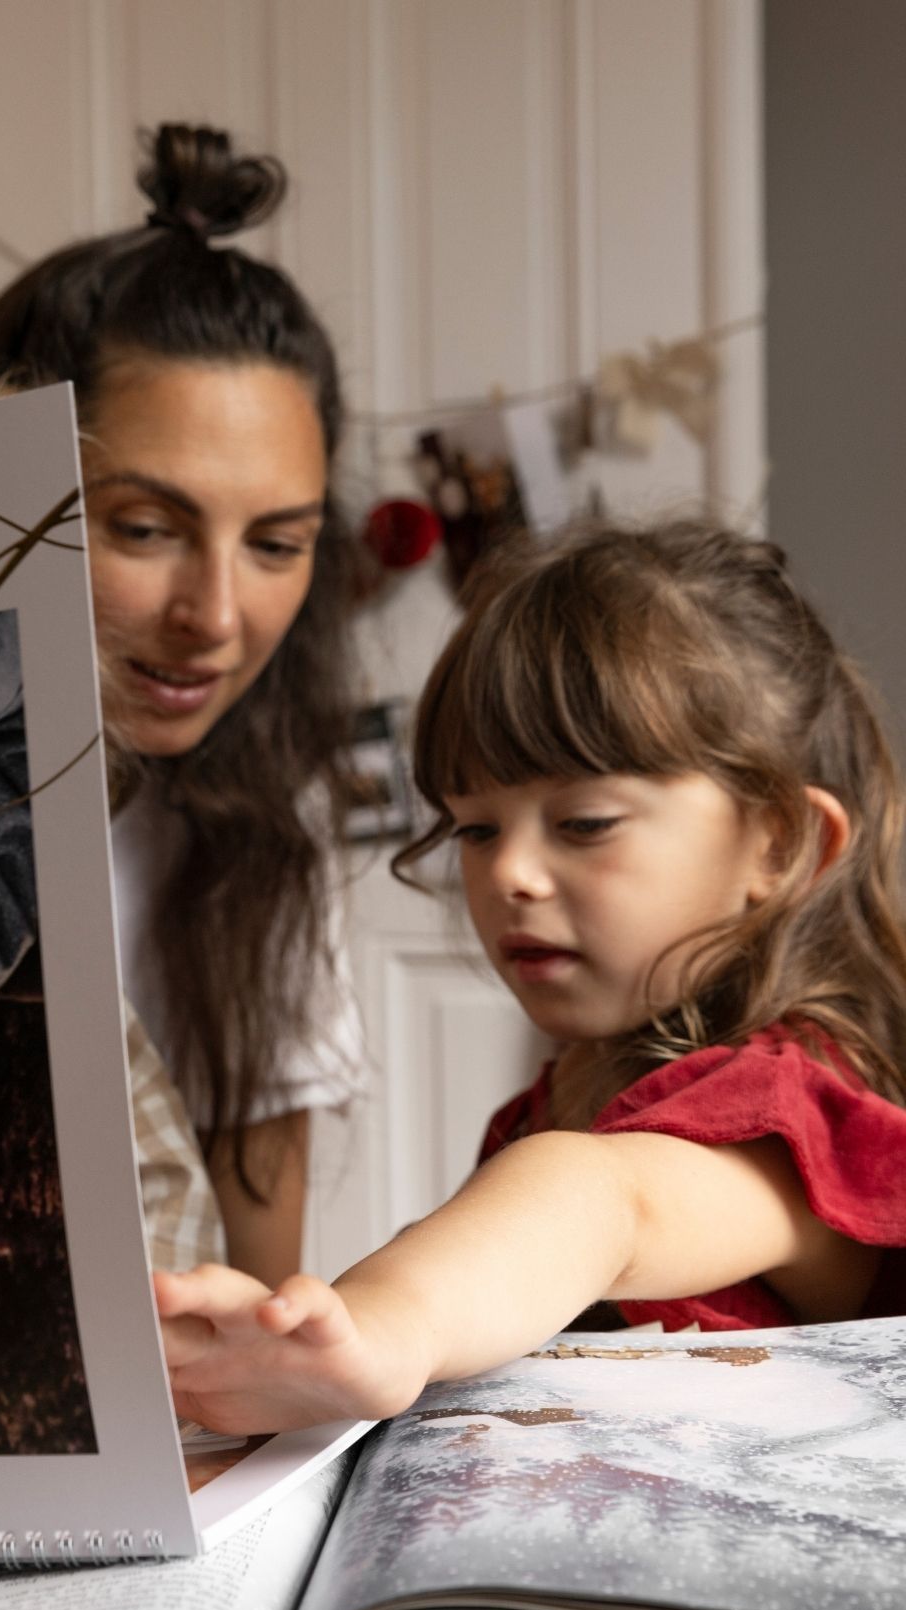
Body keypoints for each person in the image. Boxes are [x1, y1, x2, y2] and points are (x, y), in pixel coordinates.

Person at [154, 519, 906, 1434]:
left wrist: (384, 1326)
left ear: (780, 843)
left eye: (584, 822)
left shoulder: (793, 1108)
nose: (509, 872)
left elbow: (606, 1204)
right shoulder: (564, 1095)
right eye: (474, 828)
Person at [0, 121, 366, 1284]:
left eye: (277, 543)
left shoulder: (264, 848)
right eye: (144, 529)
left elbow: (247, 1301)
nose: (217, 615)